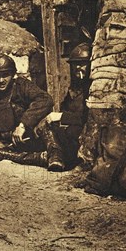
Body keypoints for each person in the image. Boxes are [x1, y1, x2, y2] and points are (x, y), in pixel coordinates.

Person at [37, 42, 92, 170]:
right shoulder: (75, 87)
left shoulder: (93, 88)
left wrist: (61, 116)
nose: (78, 67)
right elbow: (66, 108)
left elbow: (88, 117)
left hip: (83, 134)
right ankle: (55, 157)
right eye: (75, 65)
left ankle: (57, 157)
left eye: (82, 64)